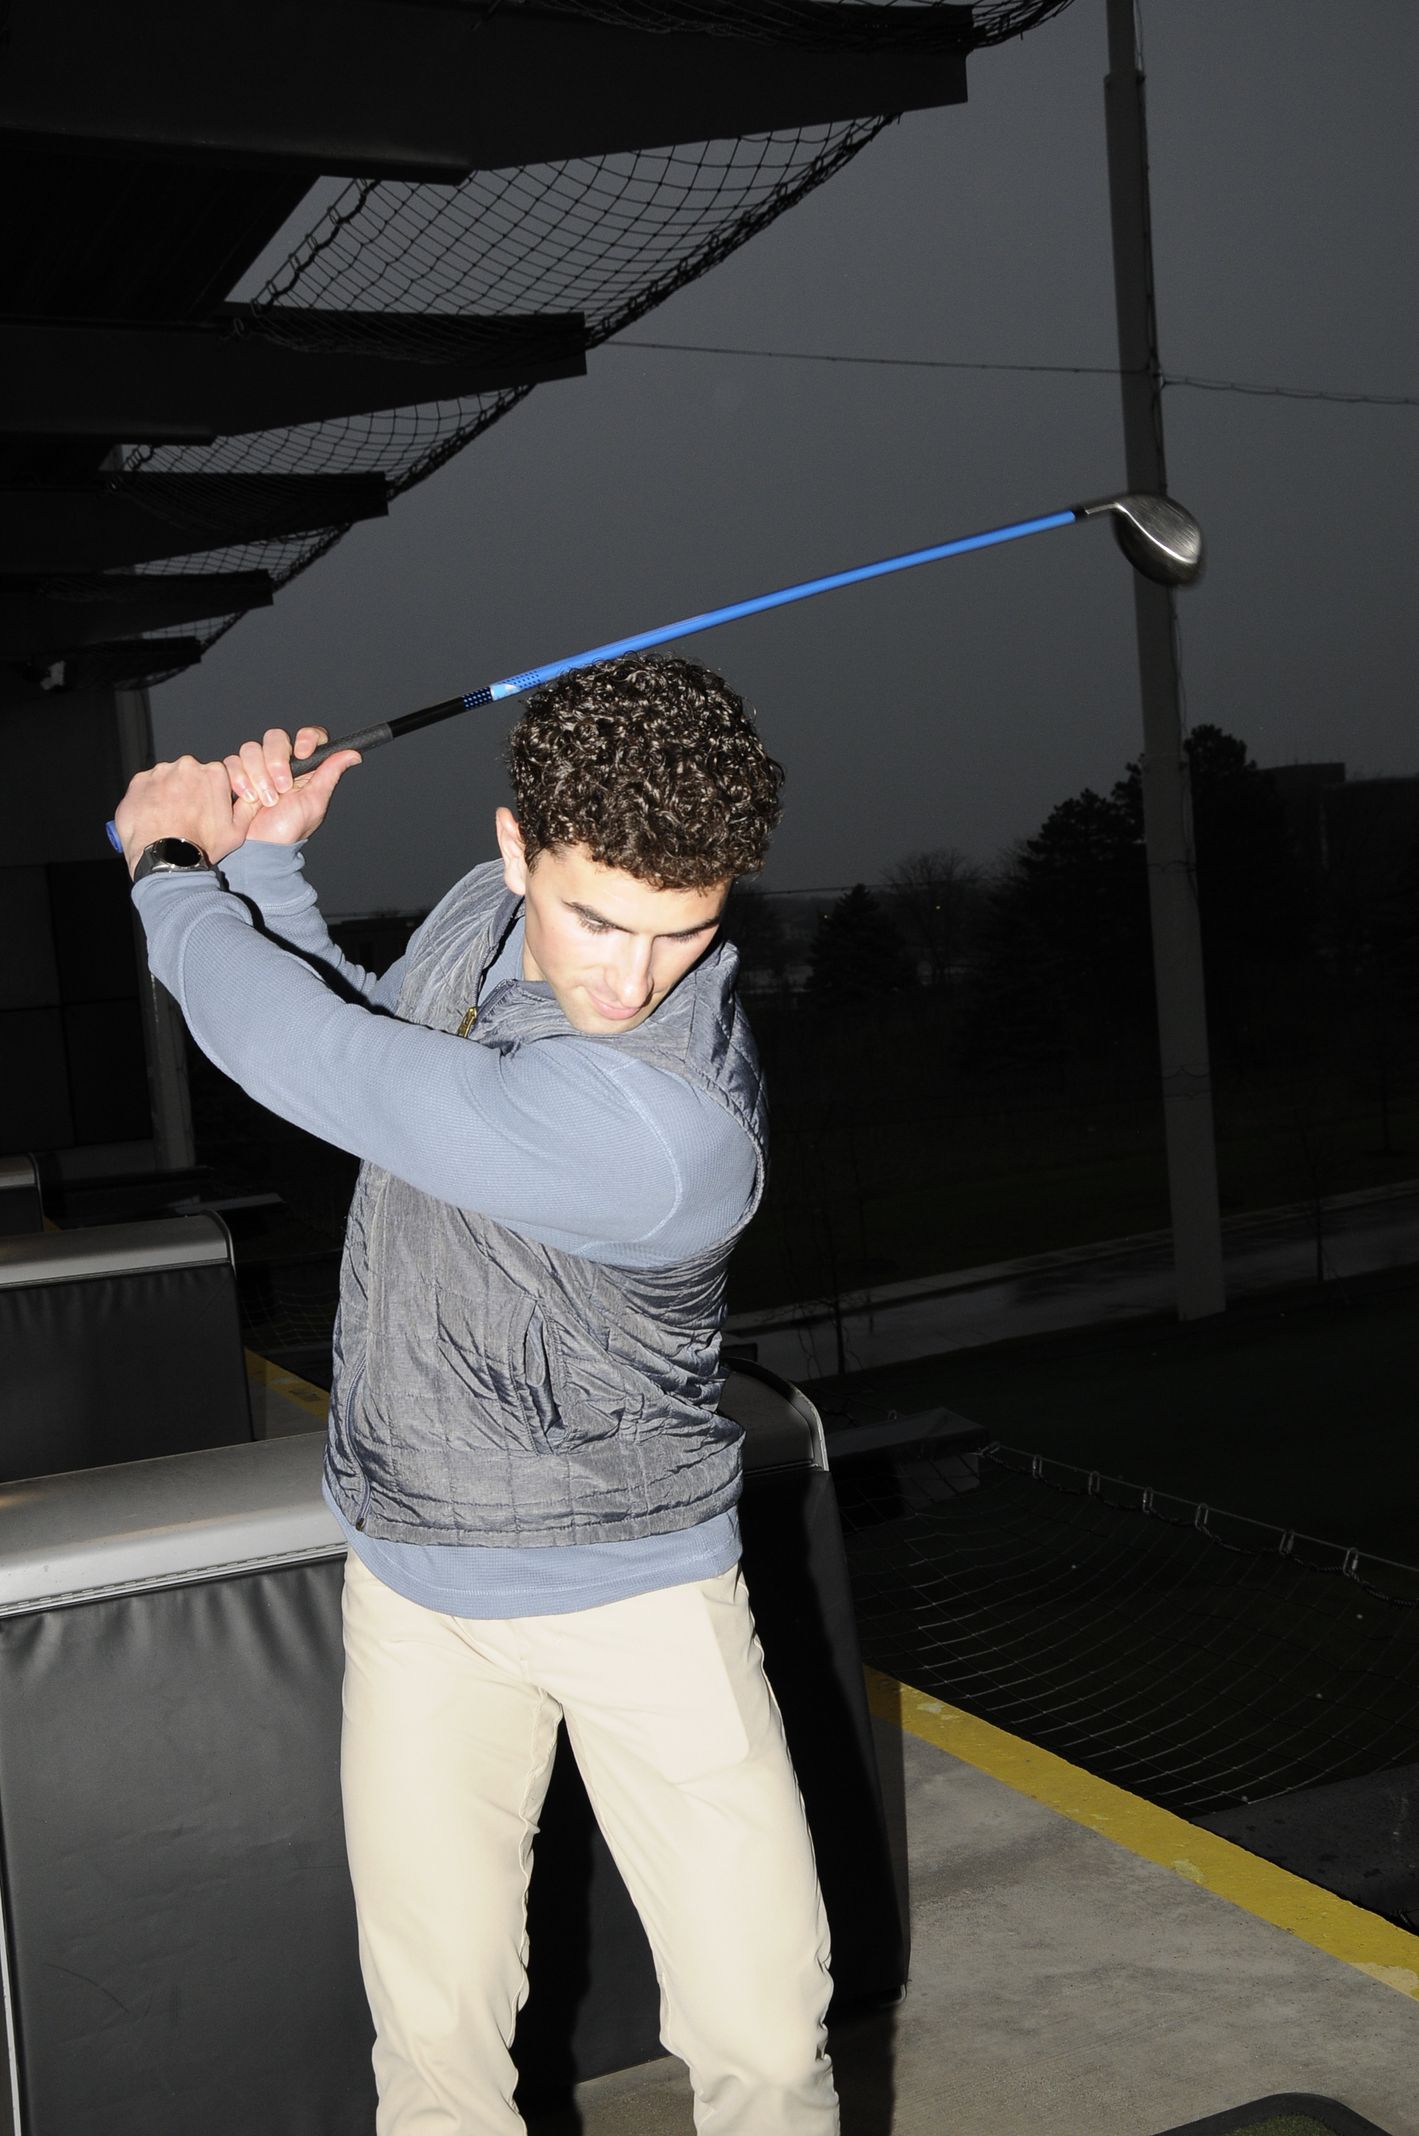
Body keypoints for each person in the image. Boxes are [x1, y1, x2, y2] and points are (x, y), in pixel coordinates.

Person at [114, 653, 839, 2135]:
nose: (629, 977)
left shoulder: (661, 1126)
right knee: (434, 2060)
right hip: (420, 1582)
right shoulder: (477, 914)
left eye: (682, 933)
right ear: (515, 852)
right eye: (593, 919)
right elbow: (378, 1036)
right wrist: (265, 864)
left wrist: (174, 868)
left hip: (637, 1592)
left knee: (764, 2045)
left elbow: (314, 1061)